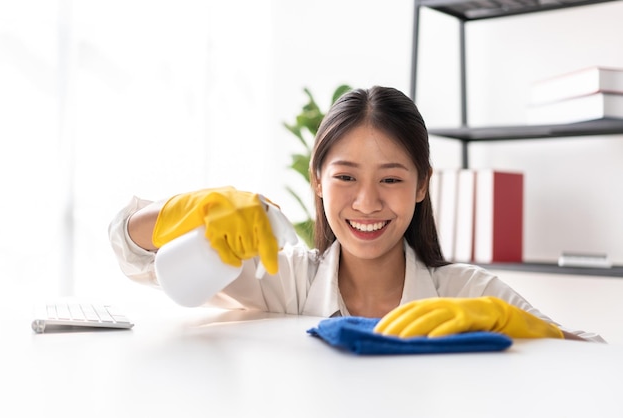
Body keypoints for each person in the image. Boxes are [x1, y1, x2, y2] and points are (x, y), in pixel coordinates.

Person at [109, 86, 604, 342]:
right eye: (345, 177)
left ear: (422, 186)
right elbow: (132, 255)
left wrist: (515, 326)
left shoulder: (470, 294)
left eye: (391, 179)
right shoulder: (285, 283)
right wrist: (179, 212)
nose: (367, 203)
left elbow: (590, 359)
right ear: (317, 182)